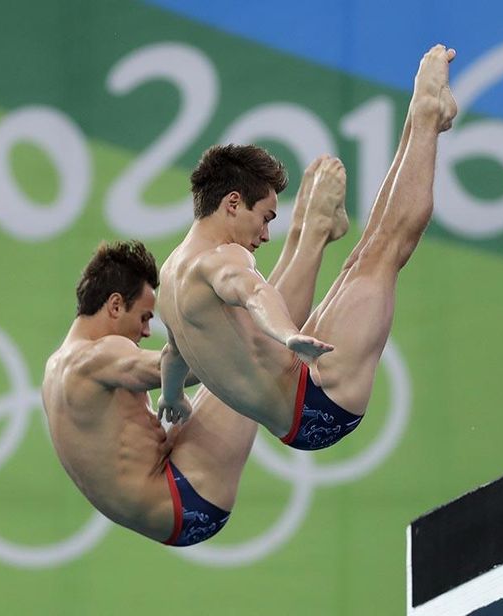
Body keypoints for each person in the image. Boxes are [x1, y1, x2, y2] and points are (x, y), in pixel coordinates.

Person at [157, 45, 458, 451]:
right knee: (386, 249)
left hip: (297, 420)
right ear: (232, 203)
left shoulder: (170, 277)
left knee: (363, 258)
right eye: (265, 217)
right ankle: (425, 113)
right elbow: (254, 291)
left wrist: (172, 396)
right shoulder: (221, 259)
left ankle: (420, 115)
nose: (265, 235)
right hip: (321, 396)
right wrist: (287, 334)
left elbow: (173, 356)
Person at [41, 157, 349, 546]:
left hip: (169, 505)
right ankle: (314, 230)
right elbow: (181, 363)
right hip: (186, 499)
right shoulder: (98, 356)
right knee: (251, 347)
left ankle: (305, 232)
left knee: (245, 332)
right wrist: (199, 327)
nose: (146, 330)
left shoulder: (57, 367)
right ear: (115, 305)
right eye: (144, 317)